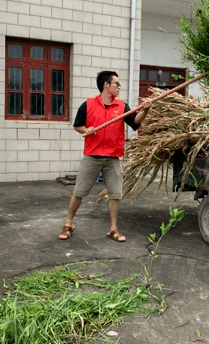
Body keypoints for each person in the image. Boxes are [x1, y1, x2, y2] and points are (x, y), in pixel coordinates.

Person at [59, 70, 152, 242]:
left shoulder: (122, 106)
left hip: (113, 158)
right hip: (92, 156)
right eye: (116, 83)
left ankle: (113, 229)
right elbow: (78, 125)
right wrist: (86, 130)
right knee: (78, 192)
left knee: (115, 194)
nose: (119, 87)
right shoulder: (88, 105)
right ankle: (68, 223)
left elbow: (135, 123)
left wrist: (145, 111)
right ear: (106, 85)